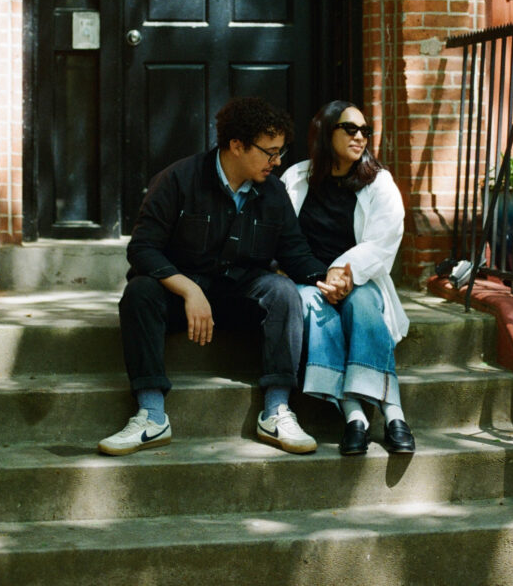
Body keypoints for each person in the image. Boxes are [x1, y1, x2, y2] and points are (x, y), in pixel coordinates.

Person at [98, 96, 346, 457]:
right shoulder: (178, 179)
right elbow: (142, 249)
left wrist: (329, 276)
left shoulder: (273, 192)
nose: (277, 163)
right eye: (270, 152)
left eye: (281, 152)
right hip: (181, 300)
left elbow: (295, 253)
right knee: (139, 292)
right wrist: (188, 289)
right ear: (236, 145)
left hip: (240, 296)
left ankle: (276, 410)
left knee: (282, 290)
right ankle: (151, 416)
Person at [282, 100, 415, 456]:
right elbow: (281, 237)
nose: (361, 137)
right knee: (312, 304)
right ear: (326, 132)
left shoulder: (379, 182)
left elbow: (384, 240)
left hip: (359, 277)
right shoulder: (295, 178)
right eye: (350, 129)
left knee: (363, 303)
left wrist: (344, 272)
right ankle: (354, 415)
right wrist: (321, 277)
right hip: (309, 280)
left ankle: (393, 414)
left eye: (365, 131)